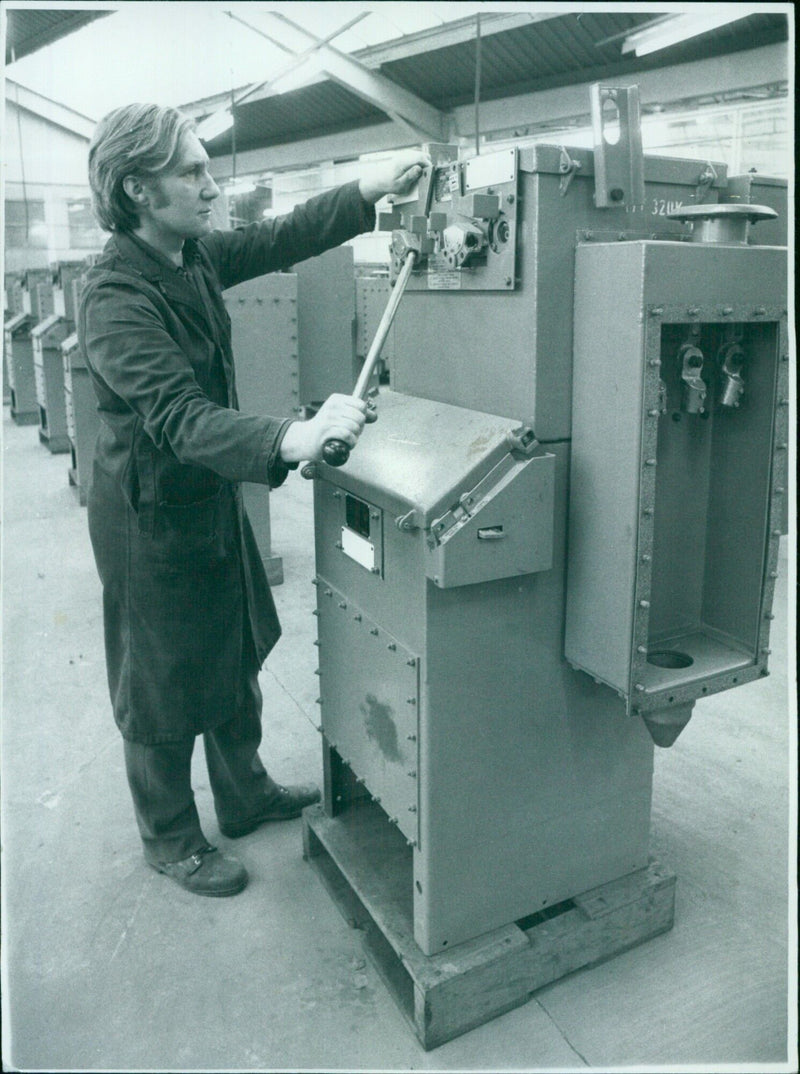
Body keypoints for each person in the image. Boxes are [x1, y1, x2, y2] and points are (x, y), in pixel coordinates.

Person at [78, 102, 429, 898]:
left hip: (203, 494)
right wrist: (290, 439)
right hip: (148, 514)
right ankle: (170, 837)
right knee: (161, 675)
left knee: (232, 644)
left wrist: (366, 188)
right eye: (192, 172)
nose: (211, 186)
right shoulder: (115, 295)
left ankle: (243, 795)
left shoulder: (186, 254)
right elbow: (177, 415)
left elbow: (280, 239)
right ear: (137, 188)